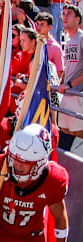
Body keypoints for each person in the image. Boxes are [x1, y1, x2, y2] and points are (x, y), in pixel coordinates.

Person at [57, 5, 83, 147]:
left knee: (77, 135)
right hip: (67, 94)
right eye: (64, 13)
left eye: (69, 14)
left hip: (77, 95)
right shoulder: (68, 42)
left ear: (78, 19)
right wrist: (61, 83)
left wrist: (71, 84)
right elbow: (67, 67)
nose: (65, 17)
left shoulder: (81, 38)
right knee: (64, 135)